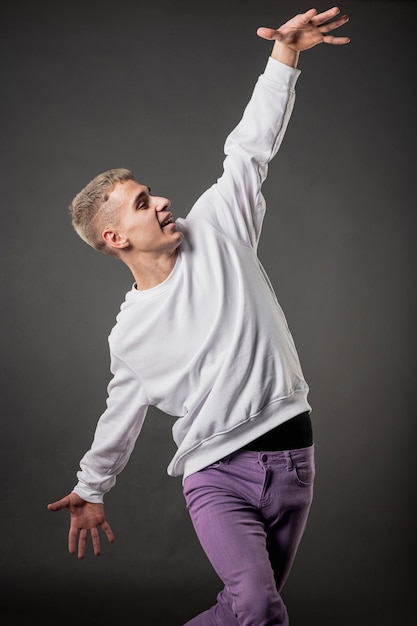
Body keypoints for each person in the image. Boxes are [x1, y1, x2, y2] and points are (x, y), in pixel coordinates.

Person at [48, 7, 349, 625]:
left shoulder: (217, 227)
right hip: (217, 477)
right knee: (261, 609)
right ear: (114, 238)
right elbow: (121, 412)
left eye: (150, 191)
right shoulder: (130, 333)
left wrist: (285, 56)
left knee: (245, 616)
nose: (160, 200)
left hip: (295, 463)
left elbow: (249, 149)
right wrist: (92, 486)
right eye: (140, 202)